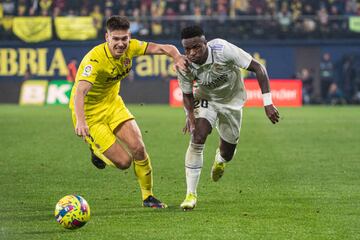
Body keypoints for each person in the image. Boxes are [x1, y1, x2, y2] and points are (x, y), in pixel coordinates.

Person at [69, 16, 186, 209]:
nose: (121, 43)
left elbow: (166, 48)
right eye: (116, 39)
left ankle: (148, 197)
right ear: (107, 37)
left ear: (129, 36)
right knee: (124, 162)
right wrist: (81, 122)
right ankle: (96, 151)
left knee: (139, 148)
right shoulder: (95, 59)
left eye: (124, 38)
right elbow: (80, 92)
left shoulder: (132, 47)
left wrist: (177, 57)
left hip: (113, 105)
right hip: (90, 114)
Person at [176, 26, 280, 210]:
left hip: (233, 102)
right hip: (206, 99)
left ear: (205, 43)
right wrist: (190, 116)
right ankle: (190, 194)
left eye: (196, 47)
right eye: (187, 49)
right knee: (198, 136)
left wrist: (268, 103)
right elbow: (187, 94)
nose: (192, 53)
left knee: (228, 152)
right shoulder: (184, 65)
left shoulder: (222, 50)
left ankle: (220, 160)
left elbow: (259, 68)